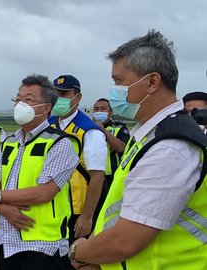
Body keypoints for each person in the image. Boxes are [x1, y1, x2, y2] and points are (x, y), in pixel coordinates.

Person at [69, 30, 207, 270]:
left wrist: (80, 251)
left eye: (118, 81)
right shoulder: (148, 134)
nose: (114, 90)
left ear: (152, 82)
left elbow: (125, 240)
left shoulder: (171, 147)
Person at [0, 74, 79, 270]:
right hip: (6, 238)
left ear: (46, 108)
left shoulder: (60, 143)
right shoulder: (8, 142)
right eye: (18, 99)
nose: (21, 104)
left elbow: (44, 193)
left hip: (42, 245)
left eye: (28, 99)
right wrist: (2, 208)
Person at [48, 75, 107, 244]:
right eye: (55, 93)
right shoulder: (48, 124)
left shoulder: (89, 131)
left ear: (78, 98)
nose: (58, 98)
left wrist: (87, 217)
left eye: (64, 94)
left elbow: (97, 176)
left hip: (76, 210)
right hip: (51, 206)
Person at [92, 98, 130, 187]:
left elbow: (121, 148)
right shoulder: (89, 128)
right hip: (92, 173)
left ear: (110, 112)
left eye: (103, 108)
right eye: (96, 109)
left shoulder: (119, 128)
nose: (99, 111)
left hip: (111, 175)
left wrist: (102, 129)